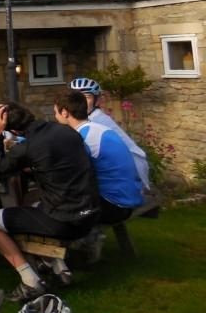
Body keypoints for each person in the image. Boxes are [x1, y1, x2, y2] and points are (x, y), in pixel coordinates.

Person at [0, 101, 101, 302]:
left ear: (14, 131)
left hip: (65, 221)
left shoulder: (27, 148)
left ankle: (30, 280)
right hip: (90, 213)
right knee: (27, 204)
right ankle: (58, 266)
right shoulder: (67, 132)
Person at [54, 90, 143, 225]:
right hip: (130, 198)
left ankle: (83, 244)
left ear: (65, 113)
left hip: (114, 206)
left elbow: (69, 174)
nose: (55, 116)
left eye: (55, 112)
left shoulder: (83, 138)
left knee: (57, 212)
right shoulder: (99, 129)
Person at [70, 77, 150, 191]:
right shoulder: (87, 118)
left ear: (97, 101)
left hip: (129, 174)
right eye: (76, 97)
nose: (80, 102)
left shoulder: (96, 121)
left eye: (87, 97)